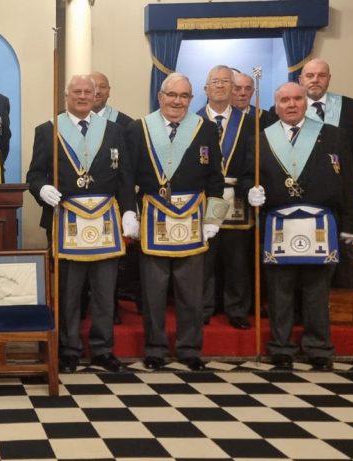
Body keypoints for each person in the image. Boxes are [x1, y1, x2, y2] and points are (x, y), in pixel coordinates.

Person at [246, 82, 353, 371]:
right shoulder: (259, 140)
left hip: (320, 223)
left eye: (297, 98)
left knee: (317, 290)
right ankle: (281, 347)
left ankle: (318, 347)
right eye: (285, 100)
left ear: (305, 102)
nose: (291, 104)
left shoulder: (332, 136)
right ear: (276, 104)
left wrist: (350, 225)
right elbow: (248, 176)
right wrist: (251, 192)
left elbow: (348, 184)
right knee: (279, 290)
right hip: (278, 224)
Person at [120, 73, 226, 371]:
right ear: (160, 96)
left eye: (184, 96)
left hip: (192, 217)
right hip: (153, 213)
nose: (177, 101)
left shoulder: (203, 129)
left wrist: (213, 218)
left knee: (191, 292)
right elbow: (126, 175)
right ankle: (155, 348)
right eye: (172, 95)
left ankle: (190, 348)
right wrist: (129, 211)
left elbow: (216, 178)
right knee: (153, 291)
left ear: (191, 99)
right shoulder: (138, 129)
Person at [27, 75, 127, 373]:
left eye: (88, 92)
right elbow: (36, 174)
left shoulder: (114, 130)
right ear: (66, 95)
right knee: (69, 291)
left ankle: (103, 349)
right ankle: (68, 350)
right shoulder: (48, 130)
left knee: (104, 291)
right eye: (77, 91)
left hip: (106, 220)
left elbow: (125, 176)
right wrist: (42, 190)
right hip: (65, 221)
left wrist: (130, 212)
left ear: (96, 95)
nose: (83, 96)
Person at [299, 58, 353, 295]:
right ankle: (309, 305)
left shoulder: (349, 106)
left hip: (342, 194)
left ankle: (345, 304)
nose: (315, 80)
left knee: (344, 250)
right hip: (302, 194)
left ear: (329, 78)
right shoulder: (288, 107)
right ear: (301, 79)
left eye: (321, 75)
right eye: (310, 75)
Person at [195, 65, 255, 330]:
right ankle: (204, 306)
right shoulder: (191, 121)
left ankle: (237, 309)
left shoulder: (250, 123)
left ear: (233, 88)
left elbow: (255, 163)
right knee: (205, 257)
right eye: (214, 81)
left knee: (237, 258)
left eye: (225, 82)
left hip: (237, 198)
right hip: (204, 199)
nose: (220, 86)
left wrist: (251, 186)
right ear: (205, 88)